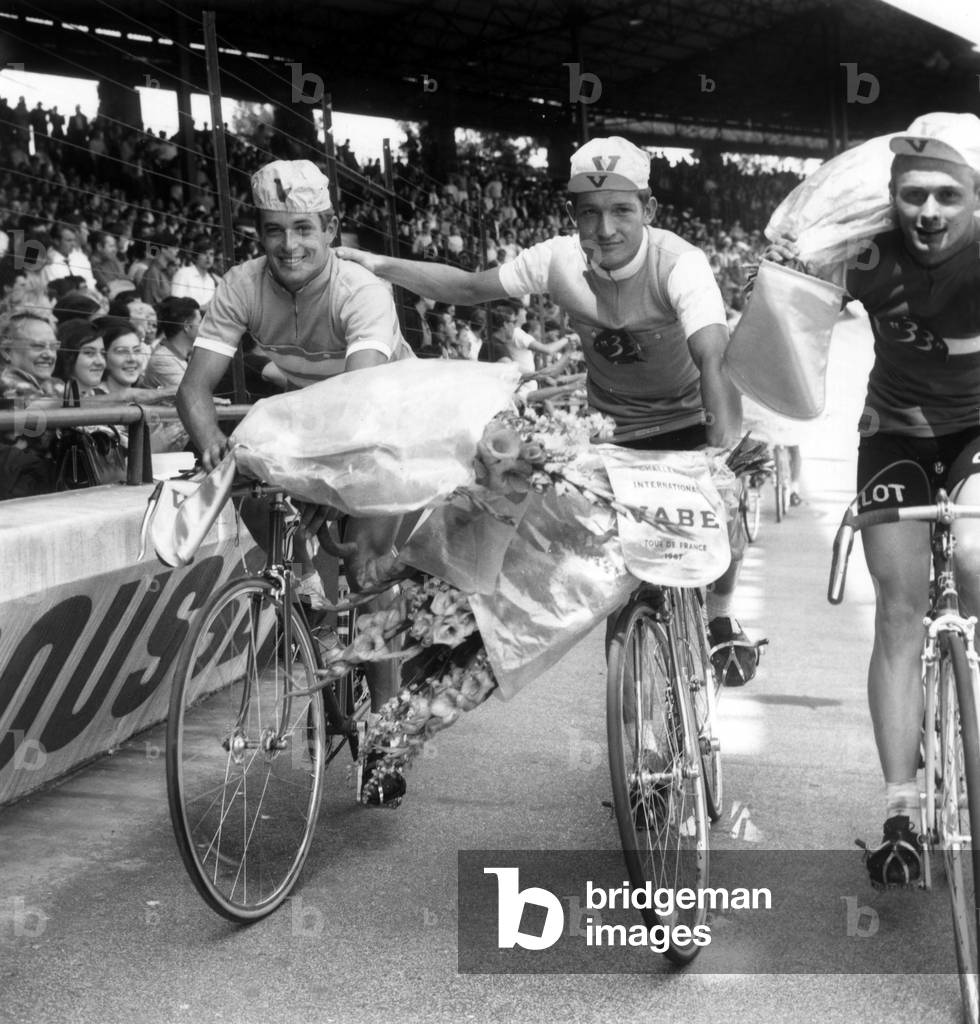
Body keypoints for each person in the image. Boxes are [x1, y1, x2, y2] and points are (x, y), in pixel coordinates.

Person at [337, 135, 757, 681]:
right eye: (590, 213)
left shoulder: (682, 264)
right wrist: (379, 263)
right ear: (574, 217)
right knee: (609, 566)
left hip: (690, 420)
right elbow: (469, 287)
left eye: (622, 211)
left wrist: (720, 451)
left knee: (727, 518)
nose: (606, 229)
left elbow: (713, 358)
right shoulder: (558, 259)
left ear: (649, 210)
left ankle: (720, 616)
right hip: (615, 432)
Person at [762, 112, 980, 887]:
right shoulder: (866, 254)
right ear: (892, 200)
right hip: (894, 435)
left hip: (977, 435)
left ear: (976, 199)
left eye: (948, 195)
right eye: (914, 195)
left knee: (976, 558)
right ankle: (900, 814)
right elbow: (781, 328)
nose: (930, 211)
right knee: (896, 609)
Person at [177, 159, 415, 802]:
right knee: (248, 473)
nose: (290, 245)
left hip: (377, 420)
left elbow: (360, 403)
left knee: (367, 571)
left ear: (330, 228)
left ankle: (386, 735)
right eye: (274, 230)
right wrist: (211, 446)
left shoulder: (360, 289)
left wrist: (327, 485)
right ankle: (306, 594)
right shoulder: (241, 283)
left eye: (305, 228)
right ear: (258, 233)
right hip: (308, 414)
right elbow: (193, 389)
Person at [170, 235, 218, 309]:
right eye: (204, 253)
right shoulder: (183, 273)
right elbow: (175, 302)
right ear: (196, 256)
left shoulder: (211, 281)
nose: (208, 257)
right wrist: (200, 309)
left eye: (211, 254)